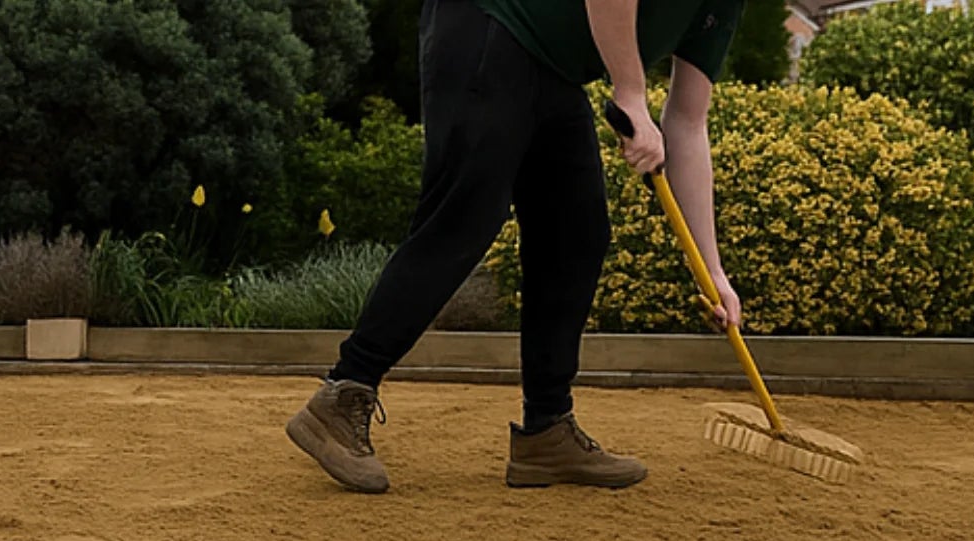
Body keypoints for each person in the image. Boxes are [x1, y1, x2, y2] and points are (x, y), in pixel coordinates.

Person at [286, 0, 744, 493]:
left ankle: (546, 432)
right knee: (465, 217)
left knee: (576, 234)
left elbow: (687, 121)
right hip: (489, 19)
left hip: (550, 63)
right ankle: (344, 392)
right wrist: (630, 93)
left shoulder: (724, 6)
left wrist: (712, 272)